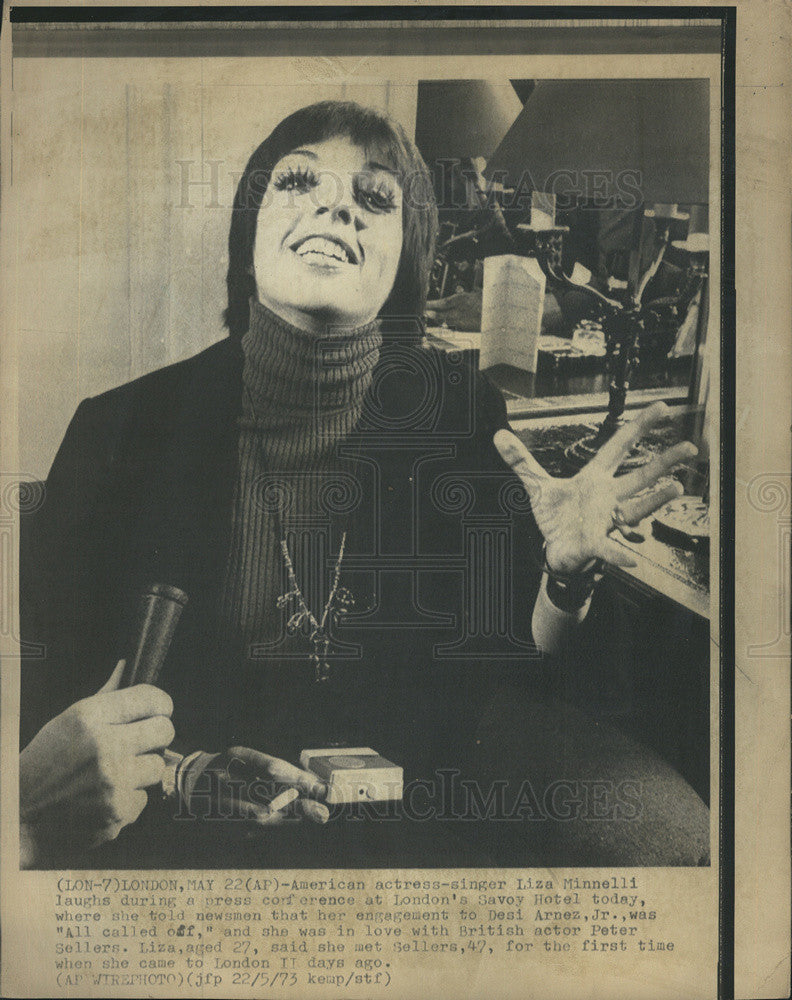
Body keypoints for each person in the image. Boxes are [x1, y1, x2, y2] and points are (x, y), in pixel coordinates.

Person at [19, 100, 707, 869]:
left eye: (376, 198)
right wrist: (187, 774)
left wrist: (563, 580)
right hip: (184, 824)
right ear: (247, 240)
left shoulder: (459, 409)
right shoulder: (121, 429)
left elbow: (511, 669)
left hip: (406, 815)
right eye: (299, 182)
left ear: (405, 267)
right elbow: (55, 707)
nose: (337, 203)